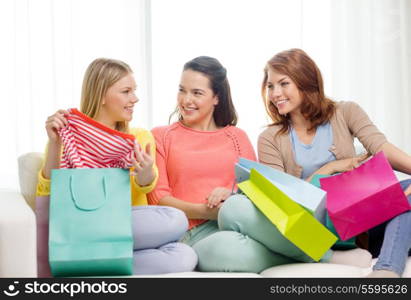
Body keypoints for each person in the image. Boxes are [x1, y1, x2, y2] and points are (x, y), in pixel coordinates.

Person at [36, 58, 197, 276]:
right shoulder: (67, 136)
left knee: (185, 255)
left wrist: (147, 173)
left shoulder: (137, 138)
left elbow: (145, 187)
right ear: (102, 95)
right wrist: (55, 144)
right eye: (126, 91)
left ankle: (91, 264)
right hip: (80, 224)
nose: (135, 98)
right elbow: (49, 195)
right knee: (176, 219)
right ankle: (95, 258)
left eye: (135, 91)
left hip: (122, 229)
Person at [258, 48, 411, 277]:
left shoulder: (345, 112)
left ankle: (386, 273)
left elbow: (380, 147)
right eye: (270, 86)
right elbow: (284, 203)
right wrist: (328, 169)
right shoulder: (270, 139)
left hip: (361, 226)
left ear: (305, 80)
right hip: (319, 230)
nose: (275, 93)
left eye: (283, 83)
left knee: (407, 192)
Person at [147, 56, 278, 272]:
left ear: (216, 97)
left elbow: (255, 191)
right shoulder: (161, 136)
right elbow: (159, 199)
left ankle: (309, 248)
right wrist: (208, 212)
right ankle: (303, 255)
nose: (186, 100)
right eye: (182, 90)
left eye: (197, 93)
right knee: (227, 251)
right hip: (191, 233)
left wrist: (230, 195)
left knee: (239, 206)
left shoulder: (237, 137)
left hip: (238, 219)